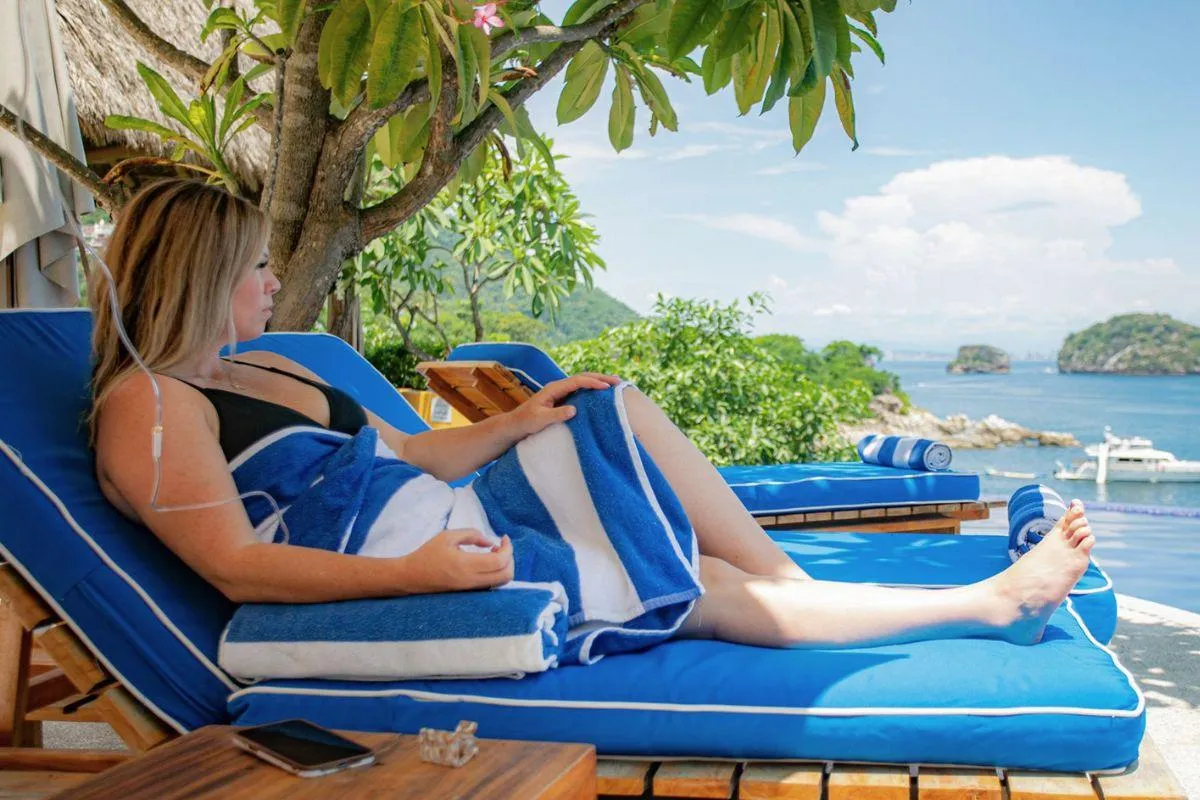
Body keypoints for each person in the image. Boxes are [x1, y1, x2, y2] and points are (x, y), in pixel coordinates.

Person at [90, 179, 1096, 651]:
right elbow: (234, 563)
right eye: (257, 265)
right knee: (693, 582)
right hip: (421, 558)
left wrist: (522, 420)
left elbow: (416, 447)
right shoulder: (149, 404)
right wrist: (411, 576)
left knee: (608, 405)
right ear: (205, 272)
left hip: (453, 517)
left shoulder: (266, 364)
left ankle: (809, 582)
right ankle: (986, 601)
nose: (273, 283)